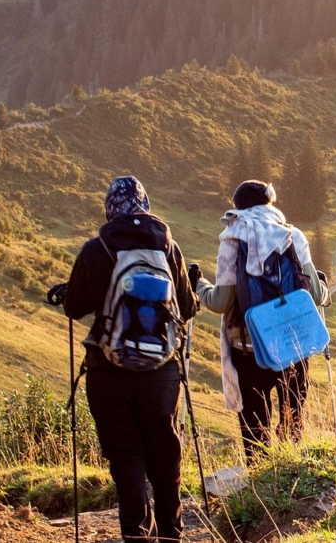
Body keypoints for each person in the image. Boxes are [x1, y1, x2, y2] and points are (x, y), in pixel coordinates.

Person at [59, 176, 196, 543]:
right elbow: (186, 308)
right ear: (145, 205)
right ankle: (171, 534)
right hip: (162, 373)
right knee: (165, 454)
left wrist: (70, 291)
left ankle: (137, 535)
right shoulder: (169, 248)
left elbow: (74, 307)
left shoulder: (97, 248)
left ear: (110, 209)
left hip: (108, 371)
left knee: (125, 456)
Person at [190, 180, 329, 464]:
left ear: (238, 208)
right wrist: (323, 287)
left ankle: (260, 481)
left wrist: (198, 284)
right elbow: (315, 295)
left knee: (255, 432)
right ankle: (293, 479)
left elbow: (221, 302)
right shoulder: (292, 236)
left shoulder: (232, 239)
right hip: (293, 346)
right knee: (293, 425)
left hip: (248, 348)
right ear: (270, 203)